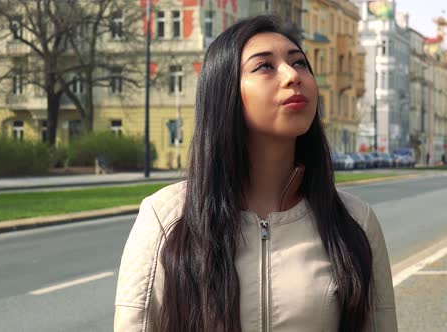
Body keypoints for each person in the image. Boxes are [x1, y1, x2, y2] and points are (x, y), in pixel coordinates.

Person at [114, 16, 397, 332]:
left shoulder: (356, 222)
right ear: (225, 93)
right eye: (264, 66)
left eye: (300, 63)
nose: (293, 75)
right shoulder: (166, 218)